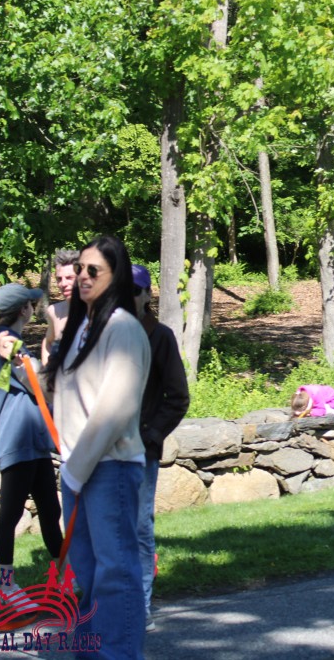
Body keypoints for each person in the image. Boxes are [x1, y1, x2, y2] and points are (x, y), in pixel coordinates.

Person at [0, 236, 150, 658]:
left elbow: (115, 410)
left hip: (110, 467)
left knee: (114, 573)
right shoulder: (83, 328)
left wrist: (76, 470)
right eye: (79, 269)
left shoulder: (122, 328)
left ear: (115, 276)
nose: (82, 277)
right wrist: (21, 362)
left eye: (92, 270)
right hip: (79, 469)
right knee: (87, 571)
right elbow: (56, 389)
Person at [0, 283, 63, 598]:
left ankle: (65, 576)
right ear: (24, 309)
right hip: (15, 441)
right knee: (11, 513)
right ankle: (6, 585)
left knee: (50, 510)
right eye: (31, 304)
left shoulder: (9, 340)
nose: (34, 308)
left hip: (32, 441)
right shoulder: (5, 341)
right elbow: (36, 377)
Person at [132, 264, 190, 632]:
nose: (127, 297)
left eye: (134, 290)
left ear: (147, 295)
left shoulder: (161, 336)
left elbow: (178, 397)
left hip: (141, 451)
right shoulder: (101, 333)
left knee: (139, 528)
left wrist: (151, 435)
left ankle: (140, 605)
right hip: (104, 451)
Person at [42, 249, 79, 367]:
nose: (63, 284)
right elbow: (48, 342)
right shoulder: (54, 311)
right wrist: (47, 371)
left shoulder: (98, 311)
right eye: (59, 279)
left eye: (69, 278)